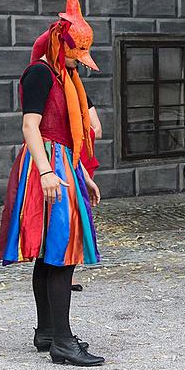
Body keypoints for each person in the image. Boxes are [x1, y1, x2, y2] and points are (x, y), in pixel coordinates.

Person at [0, 0, 104, 367]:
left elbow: (83, 129)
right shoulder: (40, 74)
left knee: (50, 251)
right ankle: (62, 341)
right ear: (62, 45)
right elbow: (30, 127)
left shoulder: (63, 77)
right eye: (77, 55)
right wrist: (46, 172)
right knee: (60, 251)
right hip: (47, 164)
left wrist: (80, 174)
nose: (80, 63)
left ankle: (47, 332)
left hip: (61, 164)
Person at [72, 92, 103, 292]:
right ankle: (64, 270)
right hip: (65, 157)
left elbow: (97, 130)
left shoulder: (82, 97)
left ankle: (70, 268)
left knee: (80, 216)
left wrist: (76, 130)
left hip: (82, 159)